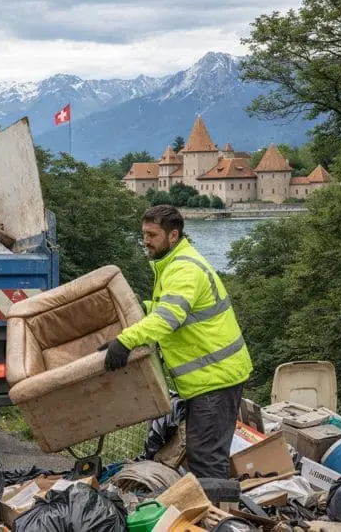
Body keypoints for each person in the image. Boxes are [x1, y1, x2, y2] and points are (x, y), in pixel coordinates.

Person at [99, 205, 253, 479]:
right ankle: (212, 514)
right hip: (208, 379)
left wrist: (125, 342)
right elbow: (164, 311)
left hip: (215, 378)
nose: (145, 240)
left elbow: (168, 318)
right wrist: (133, 316)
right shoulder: (171, 265)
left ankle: (216, 518)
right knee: (202, 454)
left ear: (173, 236)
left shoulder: (183, 270)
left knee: (206, 458)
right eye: (143, 234)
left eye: (152, 234)